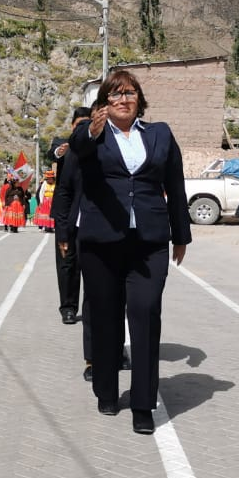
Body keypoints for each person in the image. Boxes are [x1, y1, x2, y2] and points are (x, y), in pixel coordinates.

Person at [69, 70, 190, 435]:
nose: (124, 99)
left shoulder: (160, 134)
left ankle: (143, 403)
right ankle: (106, 389)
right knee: (106, 318)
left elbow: (175, 184)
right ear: (105, 102)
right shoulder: (92, 134)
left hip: (149, 242)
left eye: (130, 93)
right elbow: (77, 147)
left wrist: (181, 234)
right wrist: (91, 129)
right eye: (116, 94)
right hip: (102, 242)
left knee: (146, 314)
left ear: (140, 99)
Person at [51, 107, 92, 324]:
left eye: (88, 124)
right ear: (72, 126)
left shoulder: (95, 145)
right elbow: (53, 153)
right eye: (79, 125)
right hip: (66, 214)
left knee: (91, 265)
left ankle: (91, 307)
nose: (83, 129)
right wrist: (61, 151)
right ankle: (68, 307)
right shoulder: (63, 144)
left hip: (89, 214)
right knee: (67, 262)